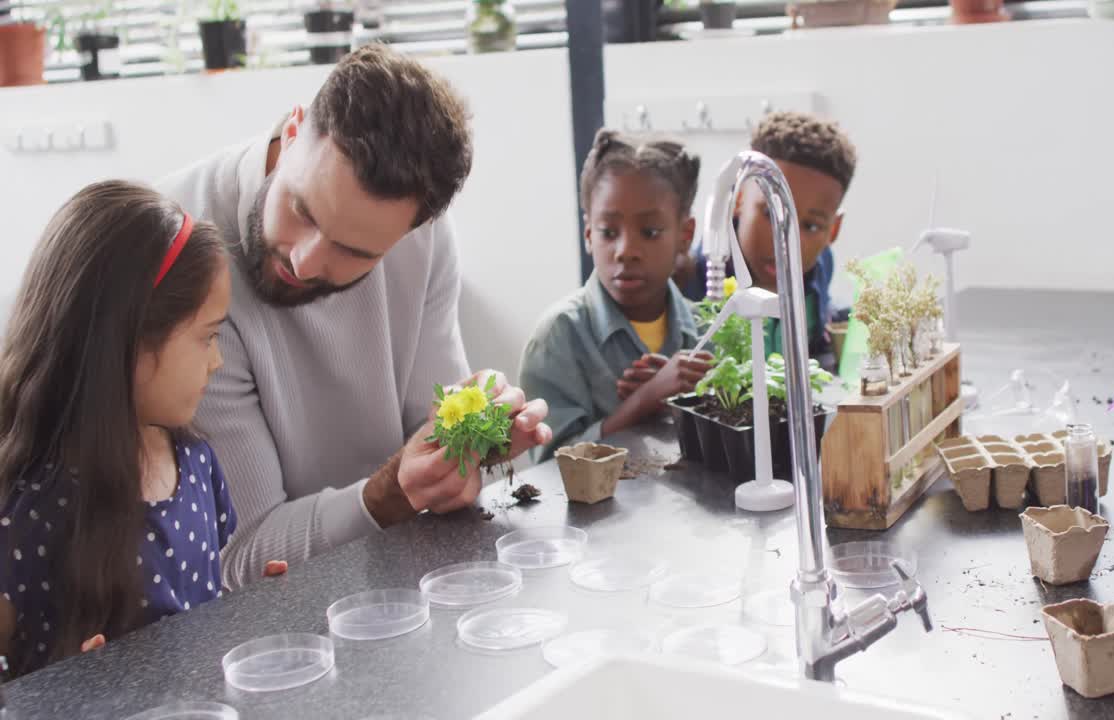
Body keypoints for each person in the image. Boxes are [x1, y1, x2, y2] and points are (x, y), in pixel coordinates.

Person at [157, 44, 551, 590]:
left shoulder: (427, 241)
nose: (304, 260)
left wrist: (467, 450)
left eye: (354, 251)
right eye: (302, 209)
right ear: (293, 130)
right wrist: (387, 496)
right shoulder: (178, 246)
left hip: (391, 586)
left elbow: (426, 435)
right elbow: (238, 557)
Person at [0, 181, 235, 676]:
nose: (216, 361)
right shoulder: (28, 511)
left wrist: (257, 606)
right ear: (128, 340)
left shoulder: (195, 463)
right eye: (206, 337)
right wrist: (77, 687)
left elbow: (211, 604)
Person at [520, 130, 713, 463]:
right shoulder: (557, 338)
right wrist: (644, 401)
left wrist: (697, 397)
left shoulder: (708, 331)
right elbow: (552, 471)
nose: (625, 251)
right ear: (588, 234)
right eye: (609, 232)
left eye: (650, 232)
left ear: (685, 236)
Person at [677, 111, 857, 362]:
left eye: (811, 226)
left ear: (833, 230)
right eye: (771, 215)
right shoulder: (692, 279)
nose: (786, 243)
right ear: (739, 198)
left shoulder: (821, 266)